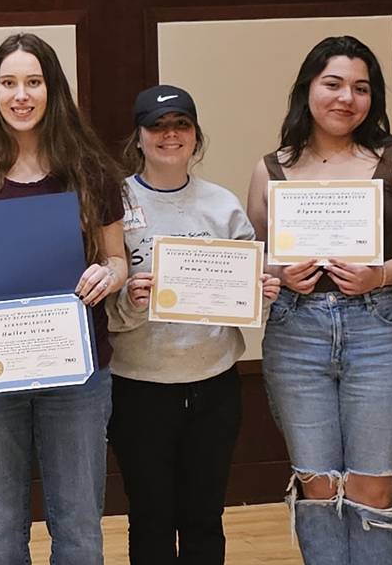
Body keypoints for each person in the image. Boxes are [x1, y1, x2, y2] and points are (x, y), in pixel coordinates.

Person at [0, 32, 127, 564]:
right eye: (9, 83)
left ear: (53, 89)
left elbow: (118, 258)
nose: (21, 95)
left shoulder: (89, 170)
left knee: (80, 527)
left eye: (34, 82)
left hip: (78, 369)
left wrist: (107, 276)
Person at [244, 36, 392, 564]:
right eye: (333, 84)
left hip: (382, 329)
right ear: (307, 89)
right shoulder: (271, 168)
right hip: (296, 331)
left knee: (373, 484)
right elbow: (257, 259)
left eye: (361, 88)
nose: (346, 98)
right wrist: (280, 271)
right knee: (318, 486)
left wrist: (382, 276)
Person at [107, 85, 279, 564]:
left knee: (205, 517)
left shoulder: (222, 205)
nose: (169, 135)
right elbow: (99, 303)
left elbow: (249, 291)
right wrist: (131, 300)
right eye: (157, 127)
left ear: (196, 136)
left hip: (215, 385)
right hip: (139, 386)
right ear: (138, 137)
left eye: (181, 125)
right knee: (150, 517)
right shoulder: (112, 204)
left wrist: (259, 292)